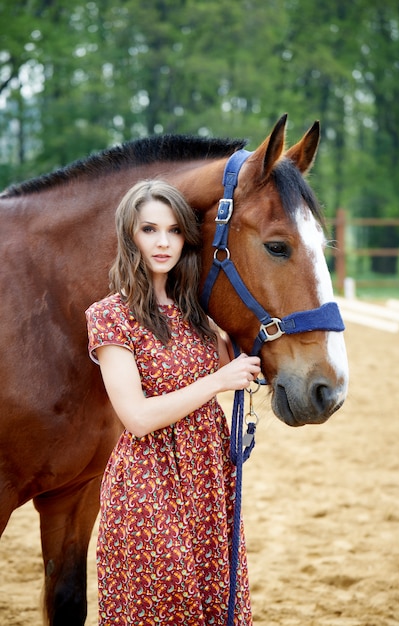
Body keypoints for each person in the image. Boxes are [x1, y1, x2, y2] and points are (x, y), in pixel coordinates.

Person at [85, 179, 261, 625]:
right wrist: (218, 381)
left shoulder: (197, 314)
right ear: (130, 235)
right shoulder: (110, 316)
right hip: (149, 484)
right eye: (149, 229)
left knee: (211, 599)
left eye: (174, 230)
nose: (163, 242)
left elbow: (242, 361)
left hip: (207, 479)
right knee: (163, 603)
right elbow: (137, 417)